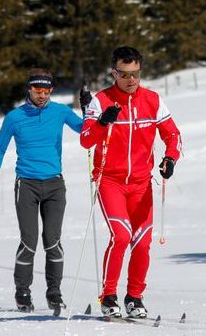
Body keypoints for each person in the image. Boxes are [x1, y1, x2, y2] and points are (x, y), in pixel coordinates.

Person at [80, 46, 182, 318]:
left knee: (141, 241)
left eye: (135, 74)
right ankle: (109, 295)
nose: (131, 80)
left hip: (140, 184)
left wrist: (169, 159)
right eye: (124, 75)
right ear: (114, 72)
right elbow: (86, 140)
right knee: (121, 235)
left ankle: (134, 298)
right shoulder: (100, 101)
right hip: (110, 181)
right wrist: (102, 122)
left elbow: (173, 136)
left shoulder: (152, 100)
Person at [0, 68, 83, 312]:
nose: (43, 95)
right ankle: (23, 292)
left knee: (53, 241)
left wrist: (90, 110)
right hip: (26, 184)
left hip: (55, 185)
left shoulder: (60, 112)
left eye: (47, 90)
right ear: (29, 88)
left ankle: (54, 292)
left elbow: (85, 131)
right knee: (29, 241)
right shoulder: (15, 117)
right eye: (38, 90)